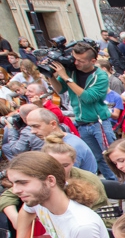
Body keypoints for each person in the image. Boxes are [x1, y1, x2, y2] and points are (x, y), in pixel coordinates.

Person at [42, 41, 117, 180]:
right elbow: (60, 89)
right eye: (74, 58)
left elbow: (88, 97)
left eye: (81, 61)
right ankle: (110, 186)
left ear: (93, 61)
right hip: (82, 123)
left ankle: (121, 187)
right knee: (97, 159)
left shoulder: (100, 76)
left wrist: (66, 77)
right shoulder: (72, 71)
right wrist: (50, 75)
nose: (76, 63)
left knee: (110, 156)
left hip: (99, 123)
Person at [26, 108, 97, 173]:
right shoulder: (60, 140)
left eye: (36, 126)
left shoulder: (70, 146)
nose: (32, 131)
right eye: (31, 127)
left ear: (53, 124)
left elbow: (66, 177)